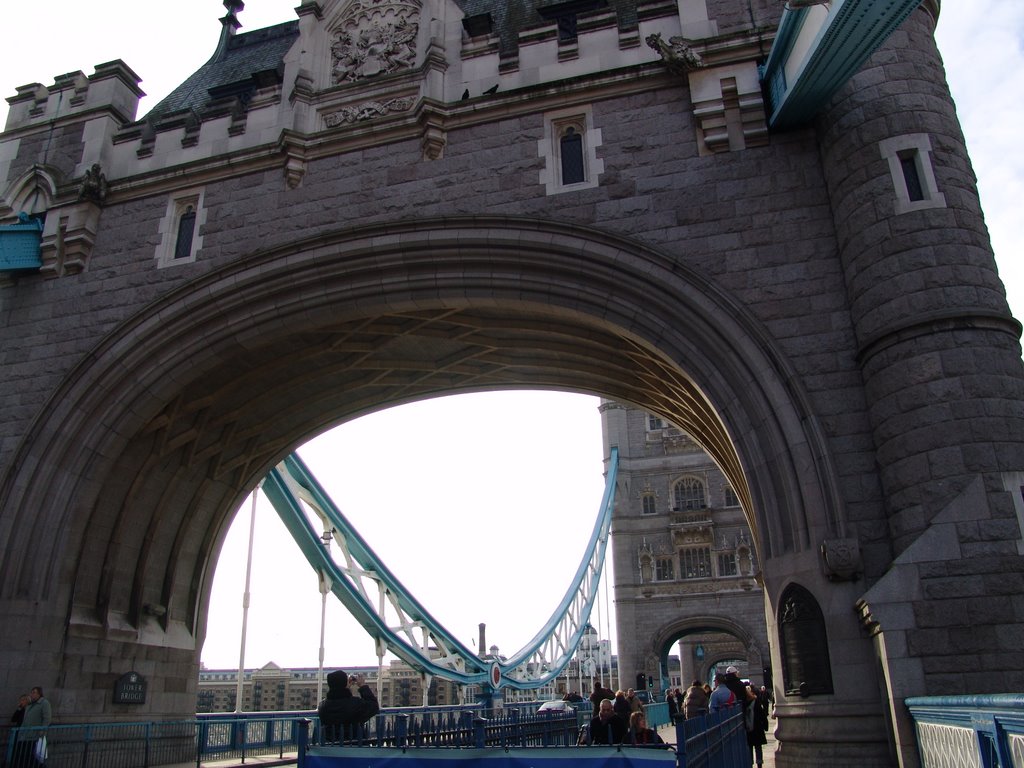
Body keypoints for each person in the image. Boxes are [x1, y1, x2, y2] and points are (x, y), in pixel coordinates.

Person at [317, 670, 379, 743]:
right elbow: (373, 706)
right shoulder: (355, 704)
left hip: (331, 747)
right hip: (354, 746)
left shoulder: (322, 706)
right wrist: (363, 686)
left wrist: (346, 687)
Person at [15, 687, 52, 767]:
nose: (32, 694)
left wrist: (41, 732)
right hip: (24, 735)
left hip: (34, 736)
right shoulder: (30, 704)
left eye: (34, 692)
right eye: (31, 692)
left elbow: (47, 719)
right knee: (22, 757)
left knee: (29, 757)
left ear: (39, 694)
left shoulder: (44, 703)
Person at [746, 684, 769, 767]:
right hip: (757, 727)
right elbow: (762, 714)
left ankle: (750, 763)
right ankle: (759, 764)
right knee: (758, 747)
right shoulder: (756, 702)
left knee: (749, 748)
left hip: (748, 728)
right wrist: (766, 726)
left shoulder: (744, 704)